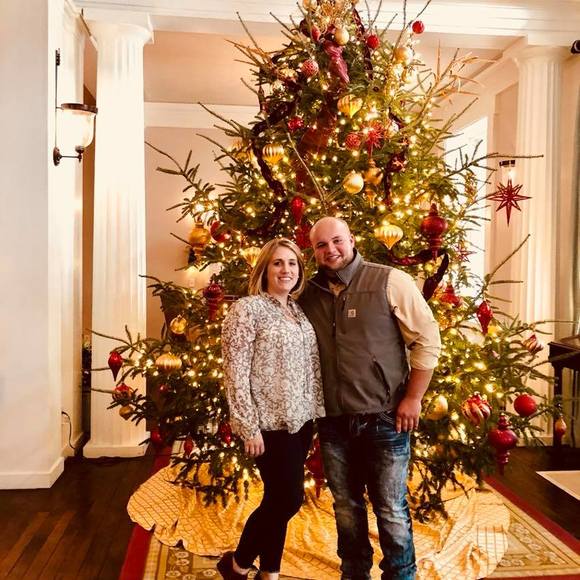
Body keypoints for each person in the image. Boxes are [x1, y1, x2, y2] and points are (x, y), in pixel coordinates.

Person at [299, 217, 441, 580]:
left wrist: (414, 398)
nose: (330, 250)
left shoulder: (390, 281)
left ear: (351, 239)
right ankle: (354, 572)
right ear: (313, 250)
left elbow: (427, 340)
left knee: (390, 508)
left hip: (385, 418)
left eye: (337, 240)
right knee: (346, 507)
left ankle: (401, 574)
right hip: (333, 422)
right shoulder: (307, 293)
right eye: (321, 245)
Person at [218, 238, 325, 580]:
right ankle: (237, 564)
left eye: (292, 263)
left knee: (277, 498)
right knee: (288, 499)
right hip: (267, 424)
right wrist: (248, 426)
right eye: (278, 263)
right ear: (264, 269)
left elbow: (310, 366)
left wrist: (315, 411)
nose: (286, 270)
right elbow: (234, 372)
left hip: (301, 421)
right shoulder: (247, 310)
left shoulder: (297, 310)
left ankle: (270, 572)